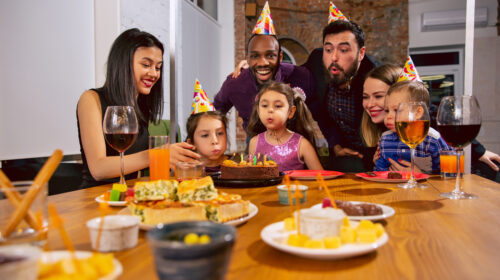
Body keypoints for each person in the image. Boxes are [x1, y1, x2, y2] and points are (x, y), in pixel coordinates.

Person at [77, 28, 200, 188]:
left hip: (128, 196)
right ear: (123, 62)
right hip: (95, 198)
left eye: (158, 67)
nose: (154, 74)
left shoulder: (141, 107)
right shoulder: (91, 100)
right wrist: (157, 155)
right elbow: (98, 169)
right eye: (146, 65)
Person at [214, 2, 314, 131]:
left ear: (280, 57)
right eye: (255, 56)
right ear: (247, 58)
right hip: (255, 144)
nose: (263, 63)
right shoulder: (235, 83)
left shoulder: (299, 75)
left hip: (292, 142)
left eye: (270, 55)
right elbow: (214, 113)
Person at [302, 4, 378, 172]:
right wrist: (249, 68)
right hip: (341, 153)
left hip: (377, 157)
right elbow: (290, 73)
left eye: (343, 50)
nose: (334, 57)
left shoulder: (374, 76)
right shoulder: (316, 61)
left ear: (361, 53)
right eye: (328, 49)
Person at [374, 81, 452, 173]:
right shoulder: (384, 139)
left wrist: (420, 174)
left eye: (396, 110)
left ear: (418, 112)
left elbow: (450, 174)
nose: (388, 116)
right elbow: (379, 171)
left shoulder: (433, 140)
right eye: (387, 111)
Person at [247, 82, 323, 172]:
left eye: (278, 106)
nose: (270, 110)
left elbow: (320, 177)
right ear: (258, 110)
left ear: (291, 112)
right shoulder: (254, 143)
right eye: (264, 106)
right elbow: (251, 176)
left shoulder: (302, 144)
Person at [185, 80, 228, 173]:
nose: (215, 141)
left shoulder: (236, 166)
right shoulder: (185, 170)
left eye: (220, 133)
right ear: (191, 143)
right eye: (205, 135)